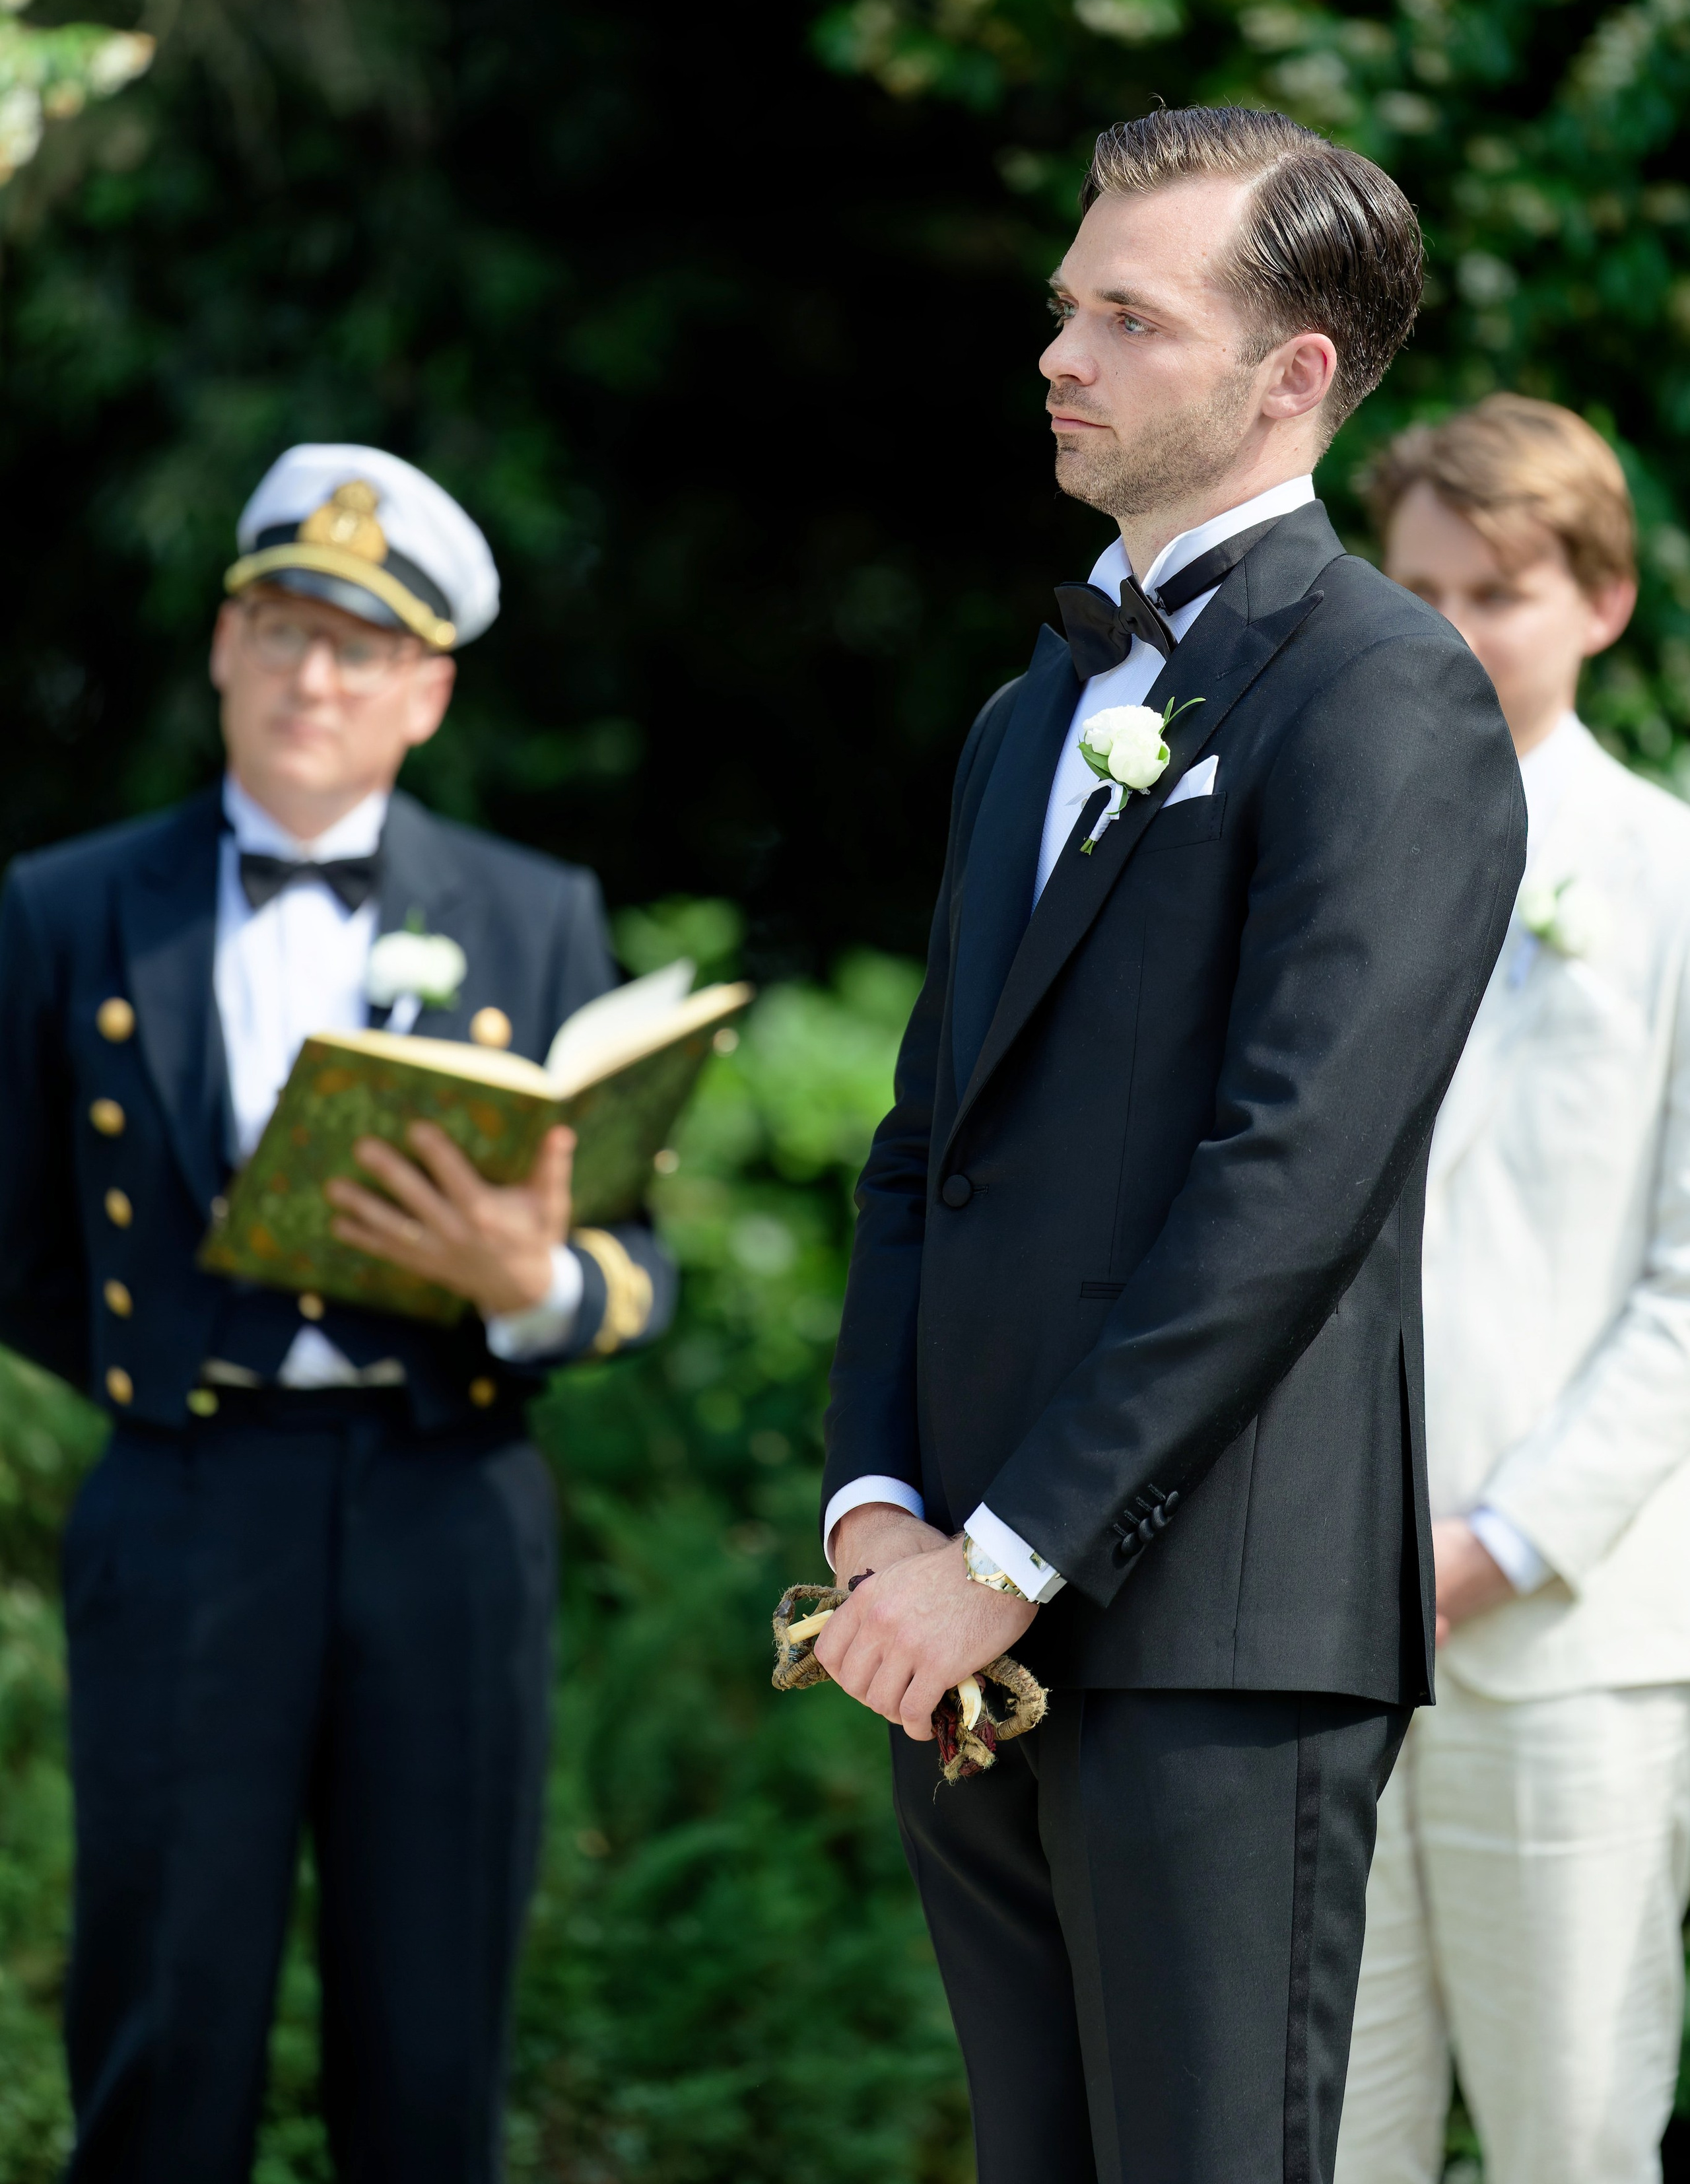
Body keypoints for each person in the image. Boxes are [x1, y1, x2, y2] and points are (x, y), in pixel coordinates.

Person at [813, 106, 1526, 2184]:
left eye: (1131, 317)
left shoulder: (1390, 697)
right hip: (950, 1630)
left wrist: (1010, 1557)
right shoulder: (1027, 715)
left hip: (1215, 1632)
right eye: (1066, 308)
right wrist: (878, 1514)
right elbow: (923, 1142)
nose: (1065, 353)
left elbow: (1289, 1184)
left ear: (1291, 373)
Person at [0, 445, 673, 2184]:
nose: (314, 677)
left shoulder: (536, 913)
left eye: (361, 649)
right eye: (286, 628)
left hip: (450, 1503)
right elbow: (15, 1240)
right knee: (161, 2014)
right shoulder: (63, 908)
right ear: (224, 645)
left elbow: (637, 1261)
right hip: (186, 1501)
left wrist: (522, 1288)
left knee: (433, 2028)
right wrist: (171, 1374)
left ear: (429, 692)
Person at [1335, 395, 1690, 2184]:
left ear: (1603, 600)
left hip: (1566, 1645)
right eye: (1417, 590)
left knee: (1573, 2144)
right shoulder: (1301, 864)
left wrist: (1502, 1539)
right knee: (1321, 2145)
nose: (1456, 632)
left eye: (1502, 592)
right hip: (1309, 1634)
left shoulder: (1673, 881)